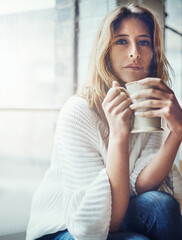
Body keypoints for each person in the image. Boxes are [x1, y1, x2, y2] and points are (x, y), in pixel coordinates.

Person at [26, 3, 182, 240]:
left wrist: (177, 132)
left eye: (144, 42)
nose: (134, 53)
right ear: (105, 50)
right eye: (121, 41)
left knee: (162, 206)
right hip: (65, 225)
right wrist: (119, 134)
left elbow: (140, 185)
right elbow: (105, 225)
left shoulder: (149, 107)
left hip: (116, 209)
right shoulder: (77, 112)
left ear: (154, 53)